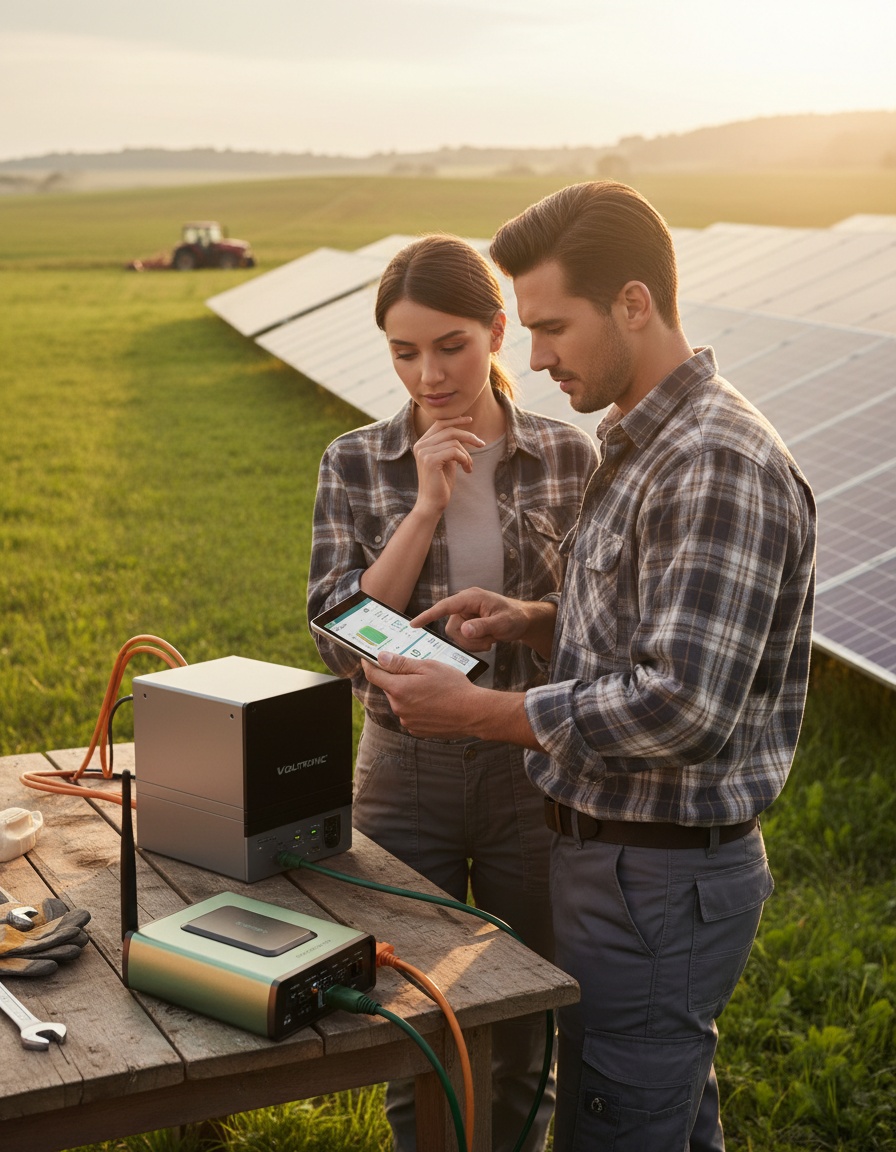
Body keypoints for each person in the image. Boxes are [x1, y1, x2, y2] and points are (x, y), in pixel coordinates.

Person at [363, 183, 817, 1152]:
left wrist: (478, 712)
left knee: (614, 1125)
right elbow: (649, 624)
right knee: (655, 1115)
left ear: (633, 305)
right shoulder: (647, 445)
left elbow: (680, 702)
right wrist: (530, 618)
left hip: (652, 877)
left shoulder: (712, 461)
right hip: (617, 865)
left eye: (551, 326)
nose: (530, 357)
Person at [307, 233, 598, 1152]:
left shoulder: (568, 455)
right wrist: (425, 503)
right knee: (414, 1013)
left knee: (522, 1016)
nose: (427, 374)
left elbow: (594, 618)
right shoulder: (356, 461)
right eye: (403, 351)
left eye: (451, 346)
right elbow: (334, 631)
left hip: (529, 765)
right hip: (402, 774)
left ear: (498, 331)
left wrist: (522, 615)